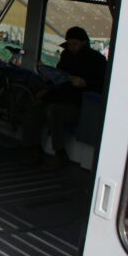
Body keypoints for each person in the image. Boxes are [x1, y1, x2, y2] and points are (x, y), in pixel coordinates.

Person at [25, 26, 107, 169]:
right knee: (37, 107)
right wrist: (49, 77)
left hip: (80, 102)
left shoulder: (97, 60)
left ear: (83, 43)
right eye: (69, 44)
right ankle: (35, 148)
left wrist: (84, 83)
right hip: (61, 94)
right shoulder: (66, 55)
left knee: (55, 111)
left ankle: (60, 153)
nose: (71, 47)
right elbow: (60, 75)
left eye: (74, 44)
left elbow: (104, 83)